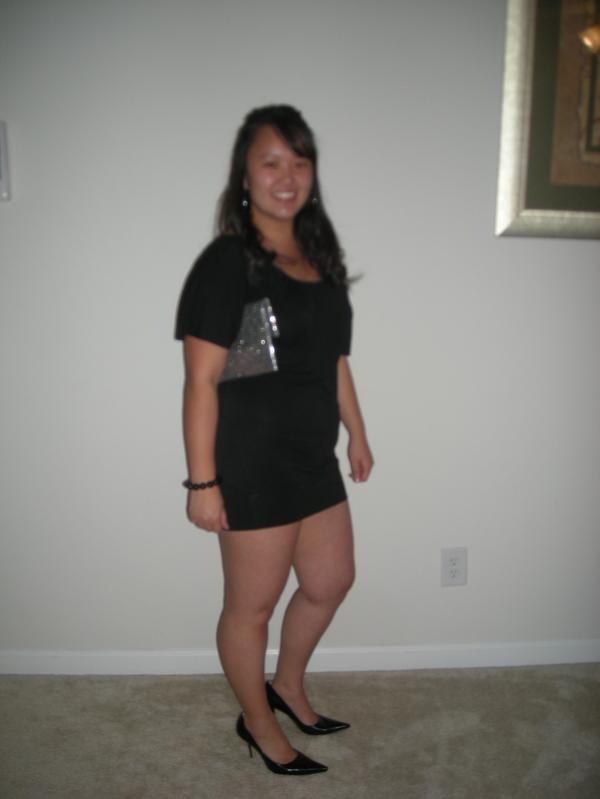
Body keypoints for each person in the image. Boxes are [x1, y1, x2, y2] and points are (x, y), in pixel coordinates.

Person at [175, 105, 373, 776]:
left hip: (313, 459)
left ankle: (286, 685)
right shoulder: (228, 263)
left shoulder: (322, 264)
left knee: (331, 580)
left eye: (299, 161)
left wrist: (357, 432)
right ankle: (258, 724)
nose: (286, 176)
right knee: (251, 606)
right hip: (252, 462)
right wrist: (203, 482)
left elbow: (335, 363)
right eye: (271, 162)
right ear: (245, 176)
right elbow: (201, 380)